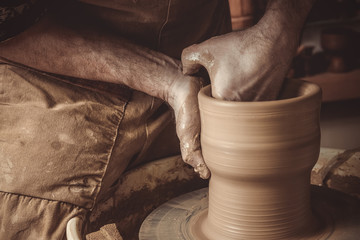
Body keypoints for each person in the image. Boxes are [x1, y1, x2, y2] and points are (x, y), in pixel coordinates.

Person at [0, 0, 315, 239]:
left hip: (207, 65)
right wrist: (168, 80)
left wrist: (278, 30)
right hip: (52, 84)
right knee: (34, 218)